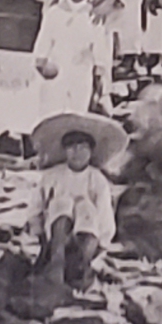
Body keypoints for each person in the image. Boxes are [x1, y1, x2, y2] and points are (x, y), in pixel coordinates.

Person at [27, 108, 126, 292]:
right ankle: (56, 266)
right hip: (56, 240)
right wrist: (41, 238)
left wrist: (97, 247)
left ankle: (81, 267)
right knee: (62, 203)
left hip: (86, 241)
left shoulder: (97, 180)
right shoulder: (52, 177)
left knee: (85, 207)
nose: (77, 152)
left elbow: (105, 222)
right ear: (64, 150)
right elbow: (36, 209)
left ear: (90, 150)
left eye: (82, 147)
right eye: (72, 147)